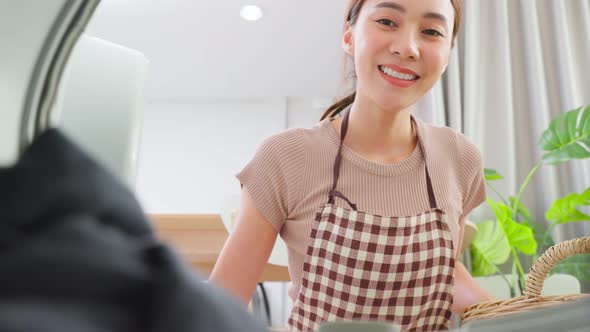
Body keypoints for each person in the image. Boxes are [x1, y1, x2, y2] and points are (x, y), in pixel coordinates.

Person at [210, 0, 493, 331]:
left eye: (432, 31)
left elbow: (442, 271)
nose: (408, 47)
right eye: (387, 21)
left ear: (447, 55)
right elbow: (223, 305)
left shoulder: (459, 157)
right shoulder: (287, 156)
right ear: (349, 36)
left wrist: (507, 314)